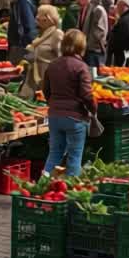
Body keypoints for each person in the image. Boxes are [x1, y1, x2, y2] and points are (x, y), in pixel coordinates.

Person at [41, 30, 95, 176]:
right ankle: (70, 190)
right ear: (81, 46)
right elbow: (86, 95)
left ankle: (43, 186)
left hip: (54, 115)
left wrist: (54, 104)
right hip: (75, 117)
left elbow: (46, 90)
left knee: (54, 154)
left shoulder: (52, 65)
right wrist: (93, 110)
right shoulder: (80, 67)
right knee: (74, 157)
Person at [21, 5, 64, 98]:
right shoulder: (42, 33)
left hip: (47, 76)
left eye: (40, 16)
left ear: (48, 18)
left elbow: (61, 58)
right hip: (34, 74)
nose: (37, 18)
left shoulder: (57, 34)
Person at [74, 0, 108, 71]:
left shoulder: (97, 10)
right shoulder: (83, 8)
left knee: (93, 73)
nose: (76, 1)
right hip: (84, 48)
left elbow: (100, 32)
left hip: (93, 50)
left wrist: (88, 44)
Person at [6, 0, 37, 65]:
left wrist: (27, 44)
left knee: (19, 70)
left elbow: (29, 25)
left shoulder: (22, 2)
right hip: (19, 43)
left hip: (20, 45)